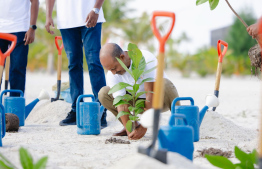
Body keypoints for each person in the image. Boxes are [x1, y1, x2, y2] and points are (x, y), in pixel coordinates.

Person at [98, 43, 180, 140]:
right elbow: (121, 104)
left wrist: (144, 127)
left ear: (122, 57)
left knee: (164, 83)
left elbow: (150, 93)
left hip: (160, 101)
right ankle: (132, 126)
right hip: (137, 104)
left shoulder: (144, 58)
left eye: (114, 68)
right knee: (104, 93)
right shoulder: (112, 74)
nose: (113, 72)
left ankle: (180, 124)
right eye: (109, 70)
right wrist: (130, 133)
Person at [45, 0, 107, 127]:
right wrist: (48, 15)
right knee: (73, 65)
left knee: (94, 62)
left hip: (90, 15)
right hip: (66, 20)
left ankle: (101, 110)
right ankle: (76, 110)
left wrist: (96, 9)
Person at [0, 0, 39, 96]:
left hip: (20, 28)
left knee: (17, 69)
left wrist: (32, 27)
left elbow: (35, 1)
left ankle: (15, 107)